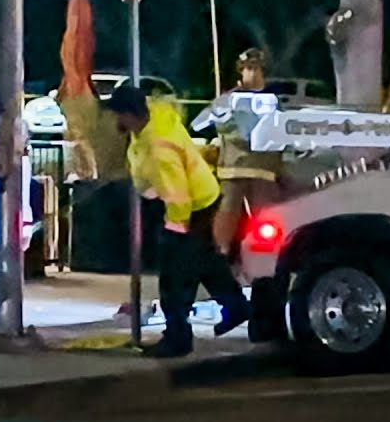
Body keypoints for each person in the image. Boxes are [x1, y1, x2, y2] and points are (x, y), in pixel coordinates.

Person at [105, 85, 250, 358]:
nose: (116, 121)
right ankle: (236, 305)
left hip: (188, 207)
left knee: (175, 276)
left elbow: (177, 194)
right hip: (201, 199)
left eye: (118, 115)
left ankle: (178, 338)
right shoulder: (154, 120)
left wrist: (175, 229)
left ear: (130, 114)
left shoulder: (159, 147)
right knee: (204, 261)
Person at [213, 49, 283, 264]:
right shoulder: (229, 99)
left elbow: (279, 129)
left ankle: (267, 258)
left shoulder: (273, 101)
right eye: (248, 69)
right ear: (241, 71)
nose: (252, 74)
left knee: (265, 214)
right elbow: (222, 126)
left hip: (264, 168)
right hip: (235, 166)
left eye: (256, 69)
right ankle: (220, 254)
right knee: (228, 210)